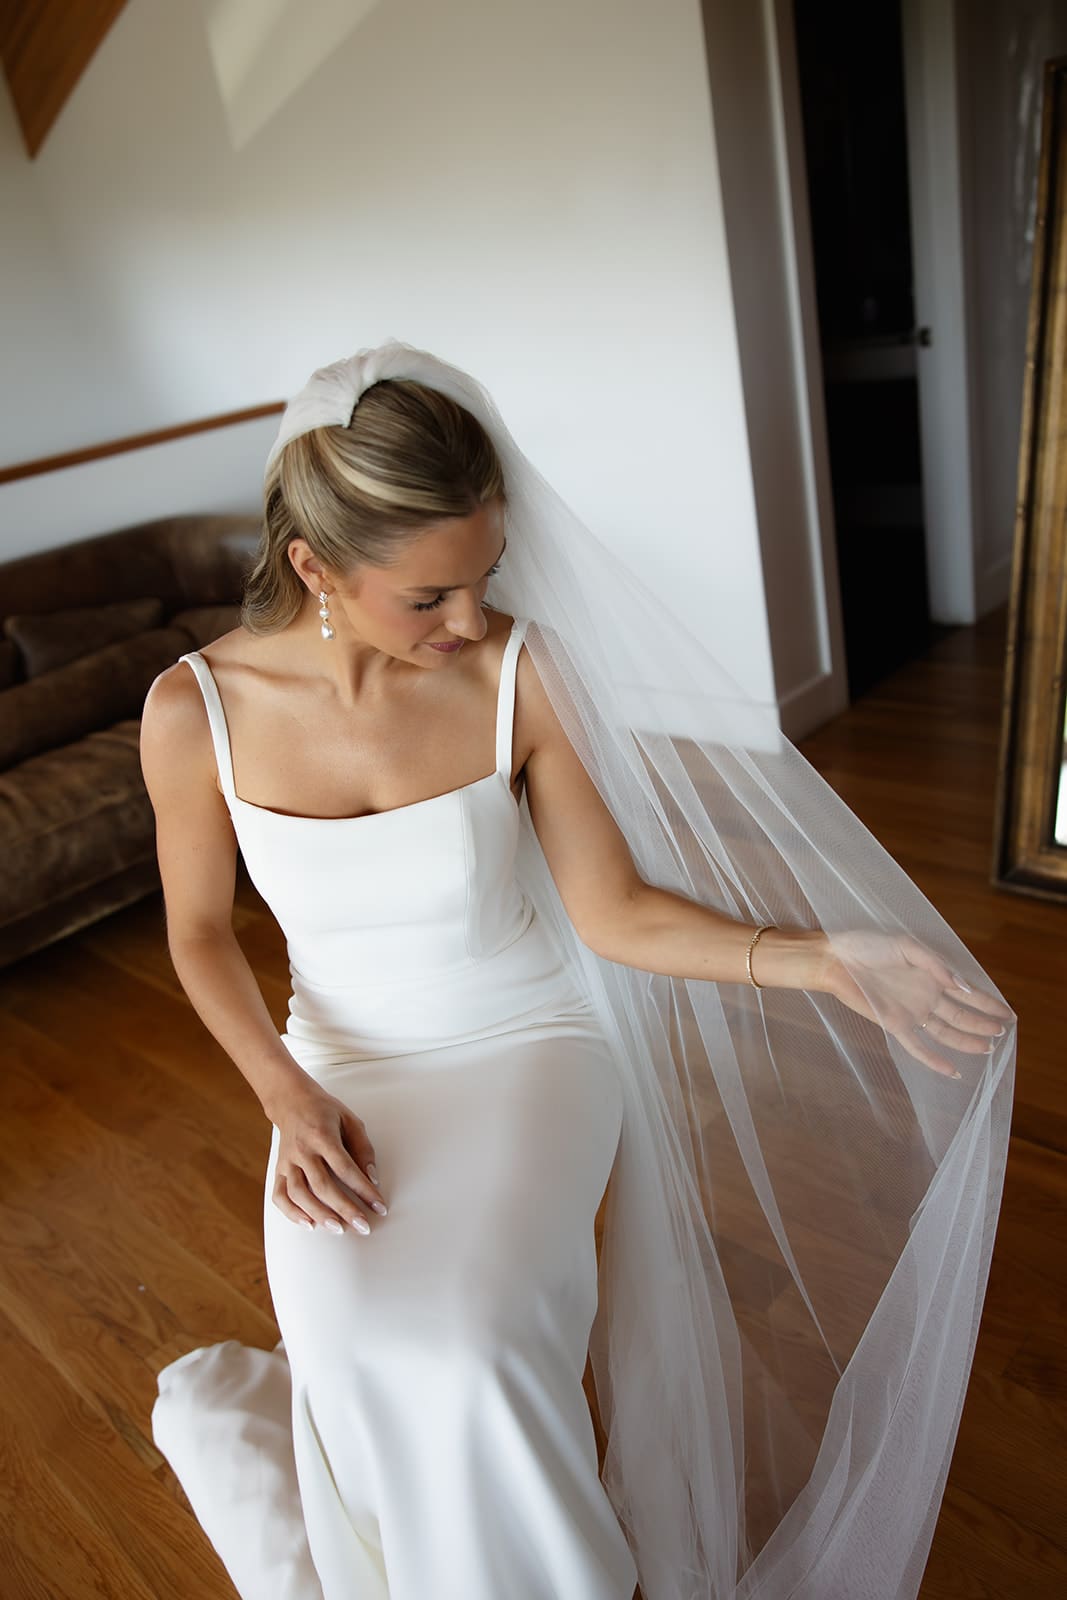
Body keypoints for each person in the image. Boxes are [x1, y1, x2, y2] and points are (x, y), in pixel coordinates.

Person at [143, 341, 1015, 1600]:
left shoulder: (516, 670)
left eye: (482, 577)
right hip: (336, 1065)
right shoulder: (194, 713)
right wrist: (282, 1092)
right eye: (427, 596)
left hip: (526, 1044)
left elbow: (609, 913)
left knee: (473, 1347)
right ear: (312, 567)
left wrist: (819, 959)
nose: (468, 619)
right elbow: (199, 935)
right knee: (353, 1336)